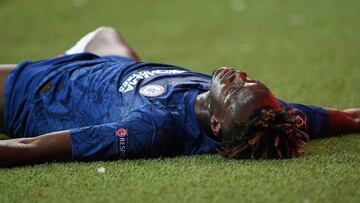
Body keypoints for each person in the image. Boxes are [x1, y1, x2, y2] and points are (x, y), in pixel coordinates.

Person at [0, 27, 359, 167]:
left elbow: (33, 147)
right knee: (107, 33)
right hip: (103, 59)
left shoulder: (154, 128)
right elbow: (348, 117)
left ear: (216, 123)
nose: (239, 76)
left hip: (37, 91)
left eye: (234, 89)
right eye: (250, 81)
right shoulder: (265, 114)